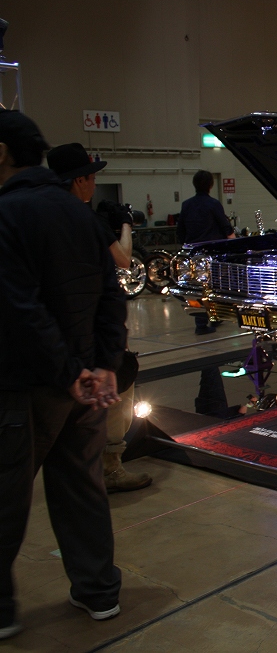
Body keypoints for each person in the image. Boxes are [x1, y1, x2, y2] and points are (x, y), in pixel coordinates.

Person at [0, 111, 127, 640]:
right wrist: (103, 366)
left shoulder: (7, 213)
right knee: (81, 487)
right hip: (85, 385)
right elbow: (111, 296)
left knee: (6, 495)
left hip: (27, 384)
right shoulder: (79, 215)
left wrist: (68, 370)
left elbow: (19, 308)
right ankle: (98, 591)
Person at [47, 144, 152, 493]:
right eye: (91, 177)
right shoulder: (84, 219)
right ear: (80, 180)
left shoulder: (40, 215)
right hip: (92, 328)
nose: (94, 184)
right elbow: (123, 259)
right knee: (114, 393)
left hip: (56, 331)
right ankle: (110, 467)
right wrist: (125, 224)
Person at [176, 170, 234, 334]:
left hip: (194, 252)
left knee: (198, 286)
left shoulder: (186, 205)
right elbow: (225, 226)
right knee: (216, 285)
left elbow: (180, 230)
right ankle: (215, 316)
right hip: (212, 251)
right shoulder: (214, 204)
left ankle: (201, 322)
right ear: (211, 185)